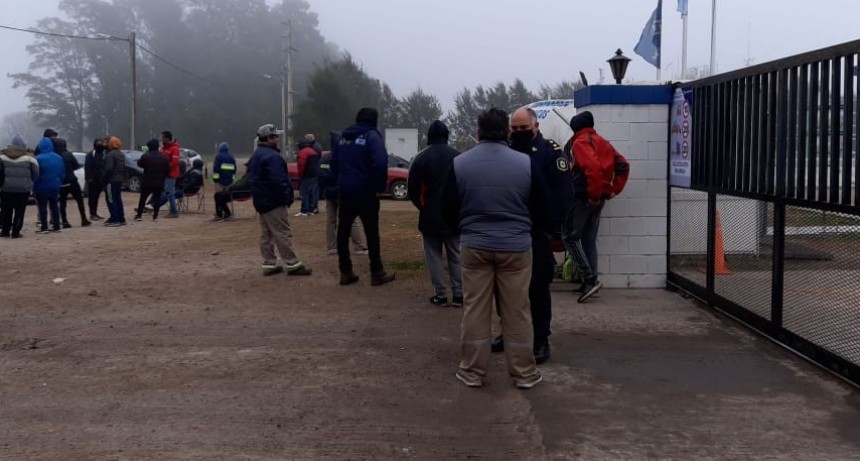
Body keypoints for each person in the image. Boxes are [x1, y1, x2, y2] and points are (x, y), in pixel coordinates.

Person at [442, 107, 549, 390]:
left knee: (475, 308)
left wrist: (466, 227)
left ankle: (472, 372)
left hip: (474, 245)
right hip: (515, 247)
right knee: (517, 310)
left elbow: (447, 208)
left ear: (477, 133)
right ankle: (524, 373)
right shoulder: (526, 164)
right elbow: (542, 207)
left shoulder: (460, 164)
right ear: (508, 132)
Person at [490, 107, 575, 364]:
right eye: (514, 129)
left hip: (536, 233)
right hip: (507, 231)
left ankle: (540, 339)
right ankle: (509, 333)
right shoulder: (506, 150)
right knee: (505, 290)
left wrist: (549, 230)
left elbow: (562, 196)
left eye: (523, 129)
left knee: (537, 290)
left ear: (536, 127)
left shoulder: (551, 152)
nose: (518, 133)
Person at [563, 111, 630, 302]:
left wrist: (593, 195)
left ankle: (589, 277)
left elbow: (591, 168)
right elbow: (623, 165)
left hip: (584, 197)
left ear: (575, 129)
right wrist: (611, 190)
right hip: (599, 198)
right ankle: (590, 283)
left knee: (569, 237)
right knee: (588, 240)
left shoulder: (579, 142)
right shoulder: (602, 142)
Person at [330, 107, 395, 287]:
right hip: (366, 192)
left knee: (343, 231)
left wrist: (339, 183)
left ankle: (345, 271)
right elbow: (381, 163)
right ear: (374, 120)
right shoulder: (372, 136)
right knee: (371, 232)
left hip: (346, 191)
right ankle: (377, 272)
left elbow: (333, 163)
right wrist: (379, 187)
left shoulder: (342, 138)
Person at [407, 120, 463, 307]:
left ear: (429, 136)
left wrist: (423, 207)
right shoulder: (458, 157)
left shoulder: (420, 158)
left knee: (434, 257)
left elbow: (413, 190)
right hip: (454, 216)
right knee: (456, 255)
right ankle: (459, 293)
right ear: (447, 136)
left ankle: (441, 294)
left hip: (429, 216)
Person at [248, 124, 312, 277]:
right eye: (275, 136)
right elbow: (279, 181)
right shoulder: (272, 157)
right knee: (282, 232)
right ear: (269, 138)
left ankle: (269, 264)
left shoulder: (256, 155)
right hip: (274, 202)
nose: (277, 139)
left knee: (266, 234)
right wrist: (286, 197)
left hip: (261, 202)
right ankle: (292, 264)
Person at [318, 140, 368, 256]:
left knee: (331, 221)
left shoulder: (325, 159)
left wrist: (324, 190)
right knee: (352, 221)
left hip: (330, 194)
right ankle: (359, 246)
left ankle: (331, 247)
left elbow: (321, 175)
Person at [0, 135, 39, 238]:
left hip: (6, 188)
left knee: (6, 210)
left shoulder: (2, 155)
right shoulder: (30, 156)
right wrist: (30, 182)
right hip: (23, 188)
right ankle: (16, 232)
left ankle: (5, 230)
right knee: (19, 210)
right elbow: (36, 173)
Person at [52, 137, 91, 228]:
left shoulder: (55, 156)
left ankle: (65, 221)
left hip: (61, 182)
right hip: (72, 180)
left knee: (62, 203)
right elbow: (76, 165)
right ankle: (83, 218)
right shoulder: (68, 154)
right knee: (79, 200)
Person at [32, 137, 65, 234]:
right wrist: (59, 182)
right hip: (55, 186)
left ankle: (44, 227)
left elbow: (36, 175)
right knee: (54, 206)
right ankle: (57, 226)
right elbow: (62, 173)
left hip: (41, 186)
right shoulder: (58, 157)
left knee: (42, 207)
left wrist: (34, 186)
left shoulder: (38, 158)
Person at [135, 139, 170, 221]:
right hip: (159, 182)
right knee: (157, 199)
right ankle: (155, 216)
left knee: (143, 199)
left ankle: (139, 215)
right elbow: (167, 170)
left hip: (147, 181)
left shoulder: (146, 156)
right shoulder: (163, 157)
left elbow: (139, 164)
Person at [103, 136, 128, 227]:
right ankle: (121, 219)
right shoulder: (121, 154)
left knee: (111, 199)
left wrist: (105, 178)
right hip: (119, 180)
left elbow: (109, 168)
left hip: (111, 180)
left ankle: (115, 219)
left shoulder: (110, 155)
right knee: (118, 199)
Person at [295, 134, 320, 217]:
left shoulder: (303, 152)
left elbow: (301, 165)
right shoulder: (312, 150)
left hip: (306, 176)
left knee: (304, 193)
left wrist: (300, 175)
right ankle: (311, 209)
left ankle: (304, 211)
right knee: (312, 193)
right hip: (314, 174)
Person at [85, 138, 108, 221]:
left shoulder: (103, 154)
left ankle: (95, 213)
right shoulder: (91, 154)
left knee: (96, 198)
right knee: (92, 198)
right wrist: (89, 179)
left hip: (101, 181)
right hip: (93, 181)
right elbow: (87, 167)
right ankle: (92, 214)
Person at [160, 130, 181, 218]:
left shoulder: (174, 148)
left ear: (167, 138)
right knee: (166, 192)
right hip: (165, 174)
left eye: (163, 137)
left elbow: (175, 162)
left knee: (170, 192)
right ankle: (154, 205)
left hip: (171, 174)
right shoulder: (163, 148)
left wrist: (166, 168)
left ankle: (174, 211)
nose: (161, 139)